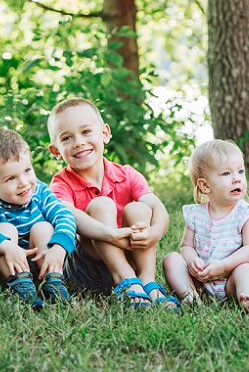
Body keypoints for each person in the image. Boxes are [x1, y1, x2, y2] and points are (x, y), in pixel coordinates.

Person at [47, 97, 177, 309]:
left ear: (104, 133)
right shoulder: (60, 183)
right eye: (67, 138)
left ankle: (147, 281)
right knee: (101, 205)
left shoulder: (126, 174)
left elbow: (156, 207)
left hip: (131, 257)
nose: (79, 142)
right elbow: (67, 213)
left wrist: (156, 232)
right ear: (56, 151)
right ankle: (124, 279)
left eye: (86, 132)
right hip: (89, 268)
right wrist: (111, 235)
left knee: (139, 208)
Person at [0, 127, 76, 307]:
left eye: (27, 170)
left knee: (43, 227)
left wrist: (59, 247)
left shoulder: (39, 191)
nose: (23, 183)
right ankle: (20, 288)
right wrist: (6, 246)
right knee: (5, 228)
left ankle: (52, 282)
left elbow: (65, 216)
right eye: (11, 179)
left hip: (35, 265)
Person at [163, 140, 249, 311]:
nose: (237, 179)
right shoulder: (195, 214)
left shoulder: (245, 213)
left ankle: (247, 298)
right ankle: (191, 296)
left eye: (240, 171)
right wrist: (192, 259)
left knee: (245, 269)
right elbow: (186, 246)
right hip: (200, 281)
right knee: (171, 259)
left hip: (229, 279)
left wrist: (223, 266)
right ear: (205, 185)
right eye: (226, 174)